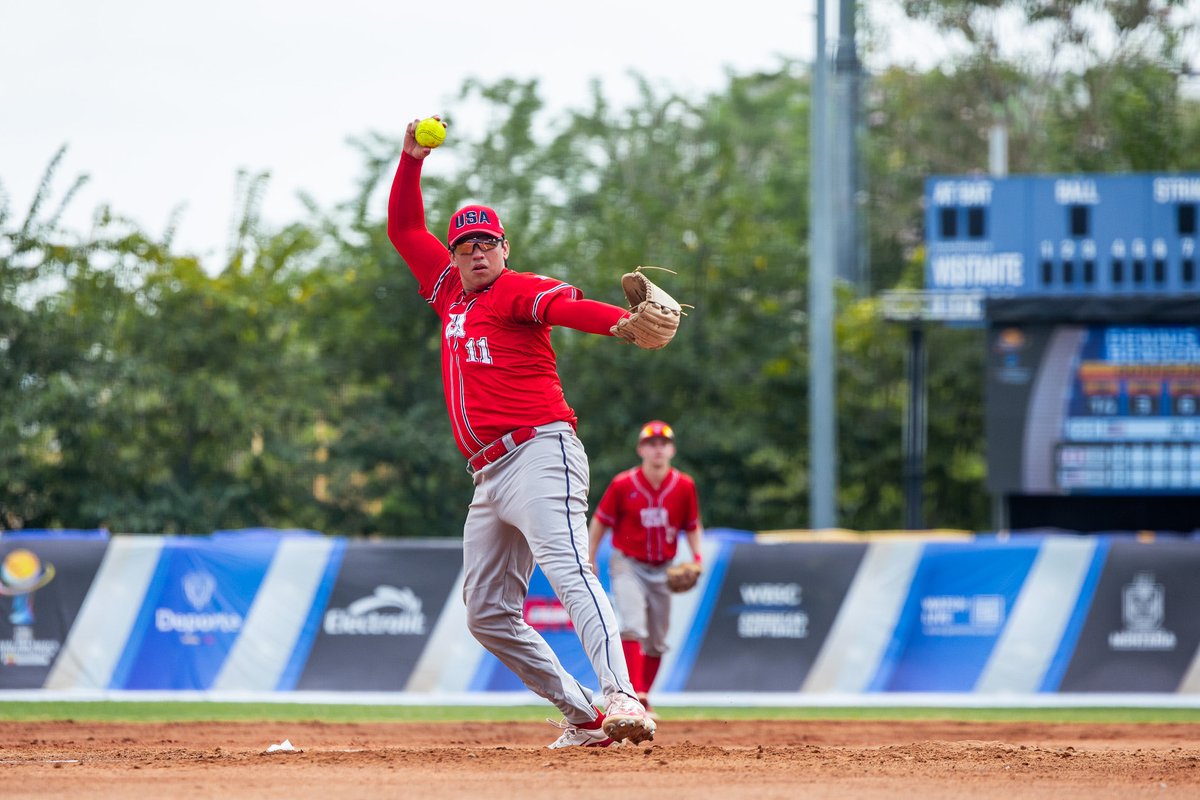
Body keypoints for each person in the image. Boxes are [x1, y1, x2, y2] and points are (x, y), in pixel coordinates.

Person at [386, 116, 656, 749]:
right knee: (486, 614)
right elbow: (403, 229)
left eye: (487, 242)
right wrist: (410, 160)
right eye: (465, 245)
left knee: (568, 569)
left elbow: (566, 307)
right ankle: (586, 716)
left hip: (540, 450)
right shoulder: (449, 292)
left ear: (505, 249)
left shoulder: (515, 290)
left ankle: (623, 694)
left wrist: (620, 323)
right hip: (487, 473)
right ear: (452, 258)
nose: (477, 252)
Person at [588, 420, 704, 715]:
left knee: (657, 639)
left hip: (664, 567)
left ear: (672, 449)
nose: (657, 449)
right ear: (641, 449)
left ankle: (644, 694)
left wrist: (698, 558)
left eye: (663, 443)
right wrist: (590, 556)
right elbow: (600, 522)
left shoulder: (684, 486)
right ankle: (633, 696)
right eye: (651, 444)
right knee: (632, 626)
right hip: (628, 563)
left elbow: (691, 525)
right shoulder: (623, 484)